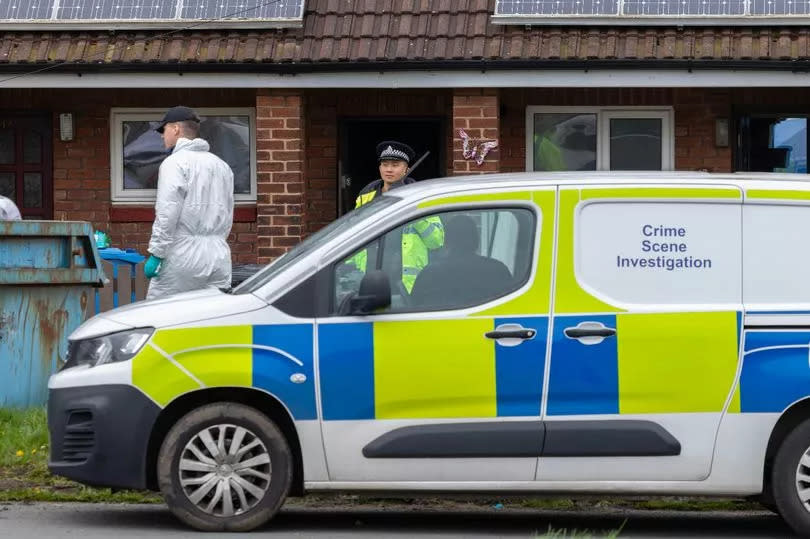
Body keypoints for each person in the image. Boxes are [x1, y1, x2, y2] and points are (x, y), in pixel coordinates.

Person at [144, 106, 234, 300]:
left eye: (164, 130)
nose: (162, 136)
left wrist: (157, 253)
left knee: (162, 313)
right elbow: (228, 212)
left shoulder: (175, 163)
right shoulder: (221, 165)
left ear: (176, 129)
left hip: (183, 255)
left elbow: (168, 212)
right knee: (212, 317)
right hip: (218, 254)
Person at [352, 140, 444, 294]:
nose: (389, 169)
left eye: (395, 165)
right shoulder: (365, 197)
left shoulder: (421, 198)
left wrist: (413, 209)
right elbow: (351, 237)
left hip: (406, 285)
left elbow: (436, 241)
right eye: (385, 164)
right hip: (369, 279)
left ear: (406, 169)